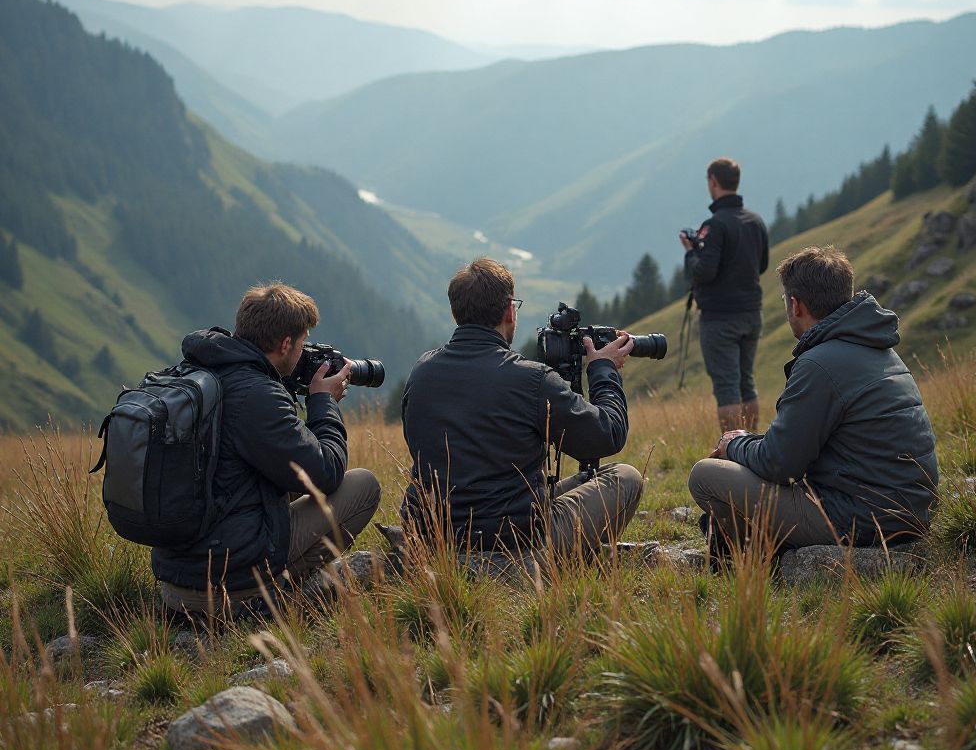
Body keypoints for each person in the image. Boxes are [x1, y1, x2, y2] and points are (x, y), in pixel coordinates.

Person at [688, 246, 938, 551]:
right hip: (909, 512)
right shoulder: (877, 347)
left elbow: (780, 464)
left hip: (863, 520)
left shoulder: (820, 364)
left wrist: (733, 445)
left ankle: (753, 553)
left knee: (705, 475)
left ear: (795, 305)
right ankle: (749, 546)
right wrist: (750, 443)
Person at [153, 283, 382, 614]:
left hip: (176, 579)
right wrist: (323, 402)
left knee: (282, 484)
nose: (304, 351)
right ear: (285, 343)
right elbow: (326, 472)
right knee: (363, 486)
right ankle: (273, 595)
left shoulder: (204, 371)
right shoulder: (256, 395)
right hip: (221, 593)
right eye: (302, 343)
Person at [400, 258, 643, 555]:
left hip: (433, 534)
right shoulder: (531, 379)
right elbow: (607, 435)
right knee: (625, 477)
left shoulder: (421, 372)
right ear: (509, 311)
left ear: (455, 313)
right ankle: (559, 562)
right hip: (513, 540)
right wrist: (603, 370)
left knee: (582, 480)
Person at [680, 157, 769, 432]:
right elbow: (762, 265)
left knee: (727, 386)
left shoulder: (715, 225)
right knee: (746, 381)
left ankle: (732, 449)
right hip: (752, 313)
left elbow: (704, 272)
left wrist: (691, 253)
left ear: (713, 181)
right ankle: (752, 443)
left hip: (720, 318)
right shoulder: (755, 221)